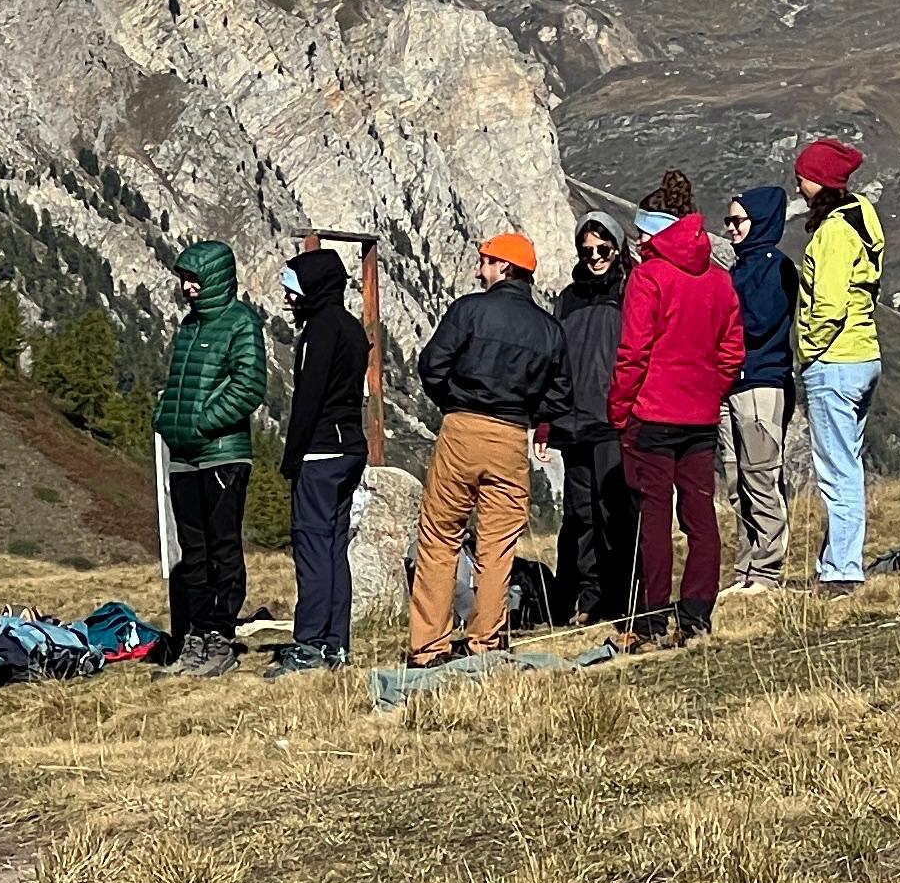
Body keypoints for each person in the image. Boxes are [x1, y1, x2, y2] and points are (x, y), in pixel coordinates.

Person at [408, 232, 565, 666]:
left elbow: (431, 364)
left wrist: (454, 402)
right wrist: (526, 411)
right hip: (512, 437)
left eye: (485, 262)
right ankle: (486, 642)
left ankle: (427, 647)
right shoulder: (549, 329)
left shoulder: (469, 310)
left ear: (504, 268)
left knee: (441, 536)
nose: (479, 270)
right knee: (498, 545)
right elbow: (561, 395)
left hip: (462, 429)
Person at [610, 206, 746, 647]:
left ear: (650, 237)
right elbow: (731, 351)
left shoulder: (649, 277)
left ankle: (651, 618)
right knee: (700, 514)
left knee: (654, 517)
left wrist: (619, 409)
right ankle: (696, 615)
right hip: (701, 416)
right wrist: (711, 390)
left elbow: (633, 350)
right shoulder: (718, 279)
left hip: (652, 414)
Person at [151, 241, 264, 673]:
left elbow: (248, 386)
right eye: (184, 278)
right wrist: (169, 421)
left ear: (215, 278)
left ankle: (219, 637)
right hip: (183, 457)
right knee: (193, 550)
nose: (187, 287)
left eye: (194, 278)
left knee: (222, 547)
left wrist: (199, 423)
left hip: (221, 455)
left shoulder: (241, 324)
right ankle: (195, 636)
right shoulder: (189, 326)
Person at [791, 139, 885, 595]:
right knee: (850, 463)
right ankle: (837, 560)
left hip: (834, 361)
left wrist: (808, 351)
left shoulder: (831, 234)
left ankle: (843, 570)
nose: (798, 184)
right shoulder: (863, 220)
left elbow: (826, 306)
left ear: (820, 182)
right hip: (865, 355)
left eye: (804, 176)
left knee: (837, 472)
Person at [272, 246, 370, 675]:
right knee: (334, 547)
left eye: (293, 290)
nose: (288, 298)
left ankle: (309, 644)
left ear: (312, 289)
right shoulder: (351, 328)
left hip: (320, 450)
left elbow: (308, 399)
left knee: (312, 546)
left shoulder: (318, 331)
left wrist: (291, 457)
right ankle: (335, 644)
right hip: (350, 447)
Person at [718, 182, 812, 588]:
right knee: (737, 480)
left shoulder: (777, 267)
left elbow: (757, 323)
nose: (731, 229)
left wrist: (719, 321)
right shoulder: (739, 268)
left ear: (760, 222)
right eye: (729, 221)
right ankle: (746, 567)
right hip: (732, 384)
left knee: (761, 476)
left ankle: (768, 568)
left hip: (761, 382)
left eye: (738, 220)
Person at [548, 217, 636, 629]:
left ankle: (623, 595)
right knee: (580, 514)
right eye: (588, 251)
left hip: (613, 419)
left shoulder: (629, 292)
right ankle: (589, 596)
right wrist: (548, 418)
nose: (595, 257)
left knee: (614, 510)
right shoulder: (567, 299)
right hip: (572, 421)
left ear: (617, 250)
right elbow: (555, 360)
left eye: (603, 249)